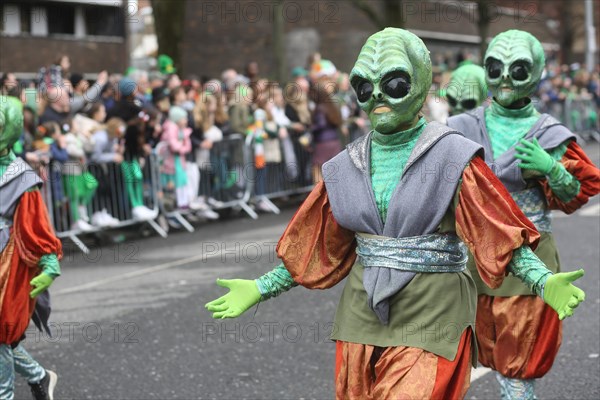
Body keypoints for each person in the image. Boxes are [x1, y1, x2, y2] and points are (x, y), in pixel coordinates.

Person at [205, 28, 586, 399]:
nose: (378, 98)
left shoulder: (452, 156)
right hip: (363, 312)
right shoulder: (343, 166)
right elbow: (317, 245)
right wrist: (260, 288)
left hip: (432, 308)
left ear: (419, 84)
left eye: (395, 83)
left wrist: (541, 279)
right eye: (364, 88)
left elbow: (495, 230)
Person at [447, 29, 600, 399]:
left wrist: (553, 168)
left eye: (517, 69)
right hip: (474, 255)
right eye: (494, 67)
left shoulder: (549, 132)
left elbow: (578, 192)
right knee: (464, 349)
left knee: (519, 357)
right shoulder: (462, 126)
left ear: (537, 72)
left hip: (530, 249)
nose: (502, 79)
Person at [0, 96, 62, 400]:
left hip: (8, 267)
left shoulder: (22, 178)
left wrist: (50, 266)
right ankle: (40, 377)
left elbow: (39, 229)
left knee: (1, 336)